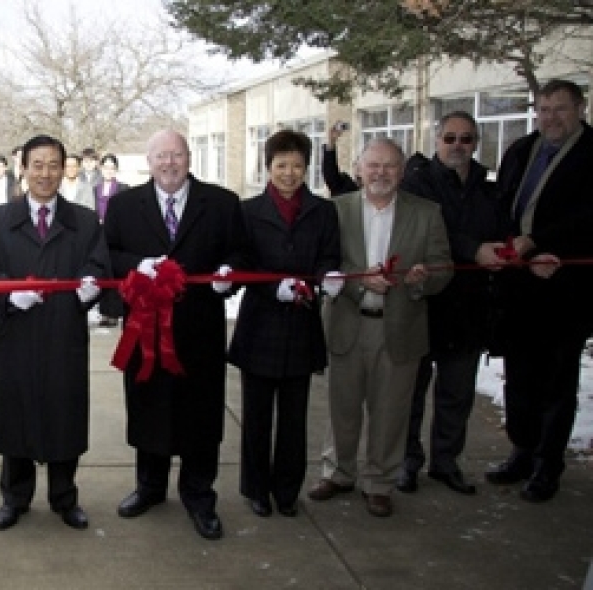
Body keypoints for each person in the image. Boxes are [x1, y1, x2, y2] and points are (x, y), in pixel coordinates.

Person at [103, 129, 248, 540]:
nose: (169, 163)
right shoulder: (124, 205)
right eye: (161, 156)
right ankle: (149, 487)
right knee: (149, 408)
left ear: (189, 158)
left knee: (200, 415)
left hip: (200, 331)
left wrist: (229, 274)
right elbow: (108, 253)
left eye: (177, 155)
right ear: (149, 161)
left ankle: (199, 495)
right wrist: (137, 265)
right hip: (145, 330)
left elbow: (239, 252)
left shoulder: (221, 203)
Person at [306, 138, 452, 518]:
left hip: (400, 326)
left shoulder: (427, 213)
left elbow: (443, 266)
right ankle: (338, 472)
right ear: (358, 169)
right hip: (348, 322)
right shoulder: (336, 210)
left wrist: (423, 278)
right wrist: (357, 280)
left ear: (402, 172)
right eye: (373, 165)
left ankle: (379, 483)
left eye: (389, 166)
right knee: (342, 406)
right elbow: (324, 263)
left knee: (390, 411)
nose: (380, 173)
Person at [0, 135, 110, 532]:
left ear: (65, 169)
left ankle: (64, 497)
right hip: (16, 334)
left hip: (63, 332)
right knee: (16, 413)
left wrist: (91, 285)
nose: (45, 174)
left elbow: (98, 265)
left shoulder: (83, 221)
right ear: (23, 168)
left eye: (53, 165)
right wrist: (7, 294)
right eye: (37, 165)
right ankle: (14, 497)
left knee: (63, 413)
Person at [486, 79, 593, 502]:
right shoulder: (521, 150)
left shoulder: (590, 153)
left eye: (560, 109)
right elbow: (503, 204)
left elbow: (588, 216)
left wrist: (544, 245)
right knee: (520, 378)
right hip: (519, 288)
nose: (550, 118)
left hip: (565, 289)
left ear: (580, 108)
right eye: (543, 109)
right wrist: (506, 245)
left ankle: (548, 464)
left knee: (556, 382)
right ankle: (522, 451)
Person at [227, 129, 340, 518]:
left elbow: (329, 255)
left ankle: (288, 490)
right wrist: (272, 286)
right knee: (256, 417)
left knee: (295, 417)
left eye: (296, 165)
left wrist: (328, 276)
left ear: (307, 168)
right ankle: (256, 489)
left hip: (301, 326)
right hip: (260, 324)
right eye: (281, 165)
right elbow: (241, 262)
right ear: (268, 167)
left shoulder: (322, 211)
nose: (289, 173)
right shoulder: (247, 211)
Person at [395, 111, 505, 495]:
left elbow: (500, 231)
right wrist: (474, 249)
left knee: (456, 395)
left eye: (466, 139)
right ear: (437, 140)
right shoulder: (416, 184)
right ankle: (407, 461)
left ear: (476, 143)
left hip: (469, 308)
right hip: (424, 306)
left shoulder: (488, 188)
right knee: (411, 394)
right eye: (450, 138)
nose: (458, 145)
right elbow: (431, 234)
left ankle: (446, 462)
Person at [93, 153, 129, 328]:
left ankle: (116, 311)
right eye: (106, 167)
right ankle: (105, 312)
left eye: (112, 168)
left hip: (116, 233)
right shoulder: (95, 189)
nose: (108, 171)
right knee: (103, 271)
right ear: (101, 169)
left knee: (116, 271)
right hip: (99, 232)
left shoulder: (124, 189)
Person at [322, 121, 360, 196]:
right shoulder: (344, 185)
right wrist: (331, 142)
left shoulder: (375, 189)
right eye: (357, 164)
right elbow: (330, 173)